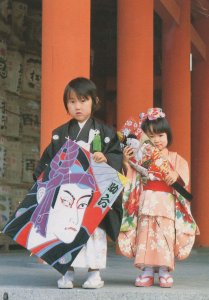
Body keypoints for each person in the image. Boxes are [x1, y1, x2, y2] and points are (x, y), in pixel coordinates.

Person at [33, 77, 123, 289]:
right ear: (67, 105)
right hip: (67, 194)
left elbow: (116, 157)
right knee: (64, 230)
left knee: (95, 232)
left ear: (95, 101)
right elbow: (47, 161)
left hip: (94, 194)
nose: (78, 106)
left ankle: (94, 273)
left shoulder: (107, 133)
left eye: (83, 100)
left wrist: (106, 158)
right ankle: (66, 272)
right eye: (72, 101)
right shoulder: (60, 134)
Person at [121, 107, 198, 288]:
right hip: (146, 201)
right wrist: (126, 162)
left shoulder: (176, 158)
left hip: (166, 202)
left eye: (161, 135)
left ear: (168, 136)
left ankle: (164, 269)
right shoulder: (142, 158)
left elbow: (183, 179)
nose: (156, 140)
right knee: (145, 234)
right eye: (151, 136)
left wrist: (174, 176)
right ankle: (147, 270)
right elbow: (132, 178)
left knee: (165, 235)